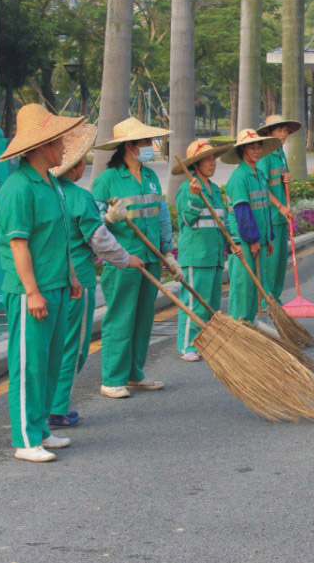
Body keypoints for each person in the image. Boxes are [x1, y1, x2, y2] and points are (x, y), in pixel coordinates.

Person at [0, 103, 85, 463]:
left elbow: (61, 237)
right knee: (29, 365)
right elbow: (19, 245)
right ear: (43, 145)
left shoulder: (50, 183)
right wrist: (32, 291)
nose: (65, 147)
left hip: (58, 284)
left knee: (49, 362)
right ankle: (25, 440)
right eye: (60, 140)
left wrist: (73, 276)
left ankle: (42, 430)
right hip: (31, 291)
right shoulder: (19, 188)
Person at [48, 124, 145, 427]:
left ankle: (45, 408)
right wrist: (126, 259)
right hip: (78, 284)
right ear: (74, 167)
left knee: (49, 348)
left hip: (46, 282)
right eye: (82, 162)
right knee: (72, 350)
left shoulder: (45, 193)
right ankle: (57, 408)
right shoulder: (79, 197)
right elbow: (99, 239)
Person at [92, 117, 182, 399]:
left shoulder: (152, 177)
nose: (150, 147)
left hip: (151, 258)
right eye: (145, 142)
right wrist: (108, 218)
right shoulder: (107, 180)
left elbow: (163, 216)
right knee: (120, 318)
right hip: (123, 261)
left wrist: (168, 252)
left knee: (143, 318)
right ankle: (112, 378)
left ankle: (135, 374)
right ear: (129, 146)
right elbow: (92, 224)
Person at [173, 140, 239, 361]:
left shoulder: (213, 189)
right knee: (193, 303)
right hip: (196, 256)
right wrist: (193, 196)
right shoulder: (187, 189)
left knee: (210, 305)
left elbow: (222, 221)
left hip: (214, 255)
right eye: (208, 159)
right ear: (196, 164)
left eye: (214, 158)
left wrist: (232, 242)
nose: (213, 163)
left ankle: (205, 342)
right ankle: (187, 346)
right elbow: (187, 219)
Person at [221, 128, 281, 323]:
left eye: (258, 147)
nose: (256, 151)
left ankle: (249, 323)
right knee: (243, 286)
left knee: (255, 286)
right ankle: (239, 323)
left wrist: (269, 237)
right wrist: (253, 241)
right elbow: (243, 213)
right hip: (245, 242)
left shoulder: (260, 175)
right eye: (252, 147)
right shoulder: (240, 177)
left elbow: (264, 208)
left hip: (260, 240)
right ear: (243, 151)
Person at [255, 115, 300, 306]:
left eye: (285, 131)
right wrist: (280, 206)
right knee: (271, 265)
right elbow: (262, 185)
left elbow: (281, 180)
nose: (283, 135)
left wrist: (286, 178)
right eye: (279, 131)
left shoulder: (280, 153)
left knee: (281, 263)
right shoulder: (265, 155)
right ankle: (268, 301)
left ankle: (276, 298)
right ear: (269, 133)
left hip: (282, 216)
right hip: (271, 216)